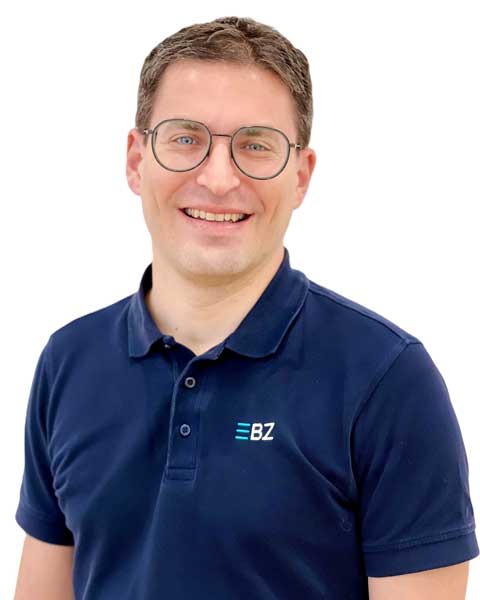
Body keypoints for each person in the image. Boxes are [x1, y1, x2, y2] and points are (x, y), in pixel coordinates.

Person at [13, 16, 478, 600]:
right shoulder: (69, 361)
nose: (217, 179)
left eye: (256, 146)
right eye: (185, 138)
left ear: (301, 176)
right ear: (136, 160)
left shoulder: (386, 380)